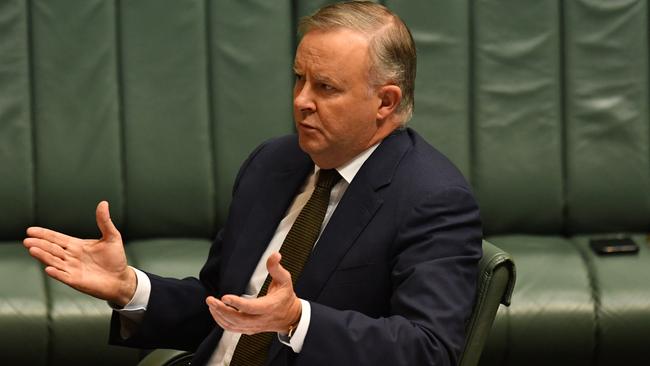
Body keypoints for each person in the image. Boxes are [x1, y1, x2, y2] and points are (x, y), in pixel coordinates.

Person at [23, 2, 482, 365]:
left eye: (325, 88)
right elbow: (219, 307)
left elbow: (429, 350)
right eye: (299, 79)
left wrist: (297, 320)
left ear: (385, 102)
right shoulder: (274, 163)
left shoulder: (433, 198)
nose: (301, 101)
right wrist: (129, 287)